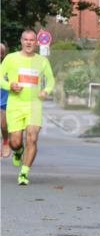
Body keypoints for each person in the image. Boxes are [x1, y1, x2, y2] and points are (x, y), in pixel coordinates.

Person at [0, 29, 55, 186]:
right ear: (21, 41)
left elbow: (51, 80)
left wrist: (46, 91)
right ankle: (18, 151)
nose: (29, 43)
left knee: (32, 137)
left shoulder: (42, 61)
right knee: (15, 142)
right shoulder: (11, 58)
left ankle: (24, 173)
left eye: (32, 40)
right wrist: (10, 85)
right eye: (26, 39)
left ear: (36, 42)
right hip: (15, 105)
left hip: (34, 105)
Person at [1, 43, 9, 159]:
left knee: (3, 125)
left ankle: (6, 141)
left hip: (4, 100)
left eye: (1, 53)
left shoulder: (7, 67)